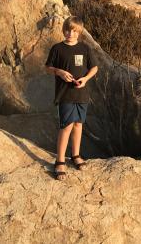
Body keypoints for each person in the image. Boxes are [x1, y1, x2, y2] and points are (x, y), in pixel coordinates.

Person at [45, 16, 98, 180]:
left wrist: (85, 79)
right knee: (66, 126)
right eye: (68, 30)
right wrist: (59, 72)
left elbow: (94, 67)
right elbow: (48, 68)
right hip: (65, 94)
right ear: (64, 30)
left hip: (81, 93)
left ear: (79, 32)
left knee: (78, 125)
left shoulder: (85, 48)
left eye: (74, 31)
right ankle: (60, 160)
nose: (71, 33)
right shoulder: (57, 49)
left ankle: (75, 155)